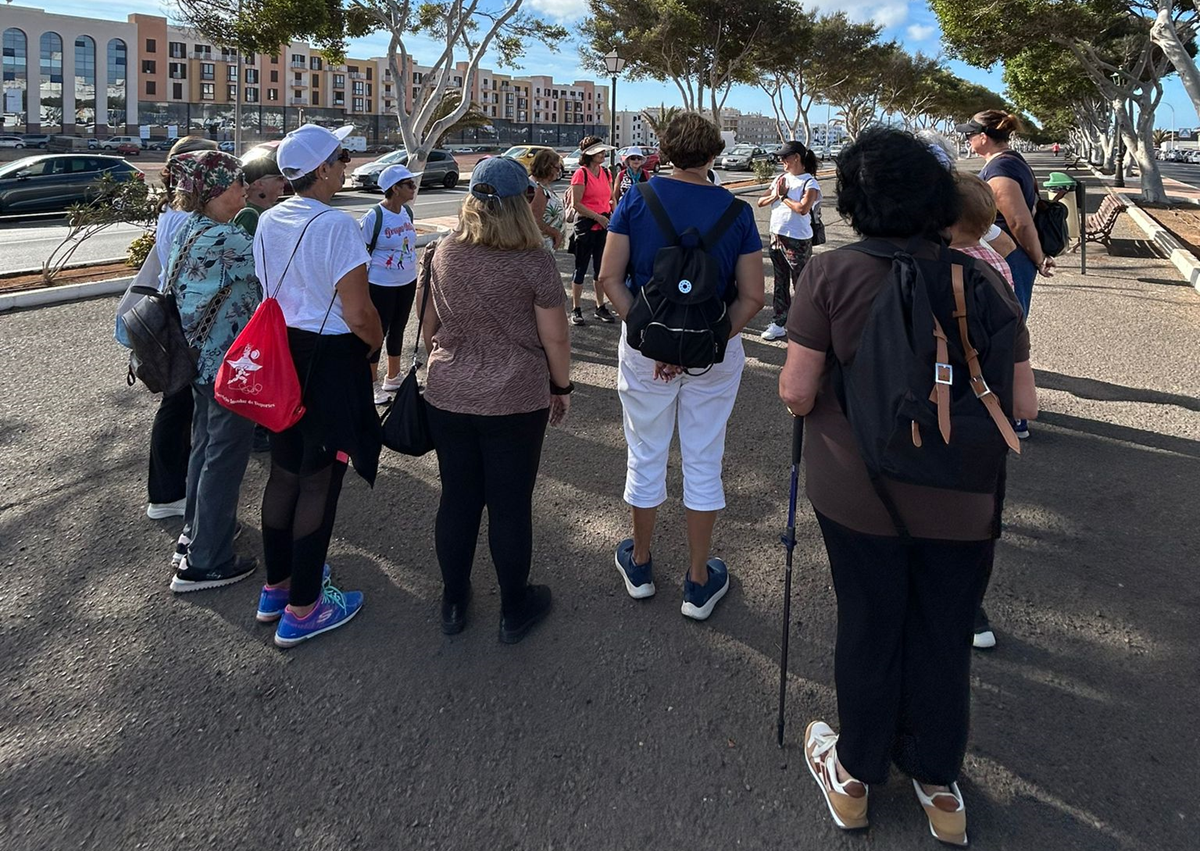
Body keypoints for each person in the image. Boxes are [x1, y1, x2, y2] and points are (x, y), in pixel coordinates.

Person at [777, 128, 1038, 844]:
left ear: (854, 198)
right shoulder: (983, 278)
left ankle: (855, 774)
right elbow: (1025, 406)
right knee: (943, 629)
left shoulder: (828, 275)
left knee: (868, 620)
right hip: (964, 496)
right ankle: (938, 784)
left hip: (858, 494)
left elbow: (797, 392)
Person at [598, 111, 765, 622]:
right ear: (714, 153)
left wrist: (656, 342)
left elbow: (610, 278)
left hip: (646, 352)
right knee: (703, 457)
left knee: (646, 452)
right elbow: (754, 296)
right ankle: (697, 580)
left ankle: (642, 563)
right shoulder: (737, 211)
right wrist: (703, 342)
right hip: (713, 354)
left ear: (665, 151)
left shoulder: (637, 199)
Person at [418, 156, 571, 644]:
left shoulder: (443, 252)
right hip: (515, 397)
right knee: (509, 505)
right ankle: (513, 607)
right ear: (522, 202)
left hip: (449, 394)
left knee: (457, 499)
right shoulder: (534, 262)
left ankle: (454, 601)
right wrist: (561, 387)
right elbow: (556, 340)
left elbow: (428, 332)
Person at [252, 124, 384, 648]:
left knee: (284, 471)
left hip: (283, 353)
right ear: (323, 169)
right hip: (327, 358)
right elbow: (358, 312)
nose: (347, 165)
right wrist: (374, 346)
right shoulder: (337, 225)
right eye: (342, 157)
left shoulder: (268, 219)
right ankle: (305, 607)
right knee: (321, 479)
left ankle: (277, 586)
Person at [165, 150, 262, 592]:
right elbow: (275, 265)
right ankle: (206, 561)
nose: (244, 189)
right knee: (224, 455)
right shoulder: (226, 241)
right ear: (213, 192)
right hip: (227, 366)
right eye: (236, 183)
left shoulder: (191, 229)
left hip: (199, 362)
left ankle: (194, 535)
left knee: (204, 447)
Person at [958, 109, 1049, 440]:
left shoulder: (1000, 169)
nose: (966, 139)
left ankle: (1014, 415)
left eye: (970, 134)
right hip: (1014, 256)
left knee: (1005, 334)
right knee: (1006, 330)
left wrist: (1038, 259)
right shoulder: (1011, 161)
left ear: (984, 137)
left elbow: (1020, 221)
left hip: (1011, 258)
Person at [146, 135, 219, 522]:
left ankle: (169, 490)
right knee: (179, 406)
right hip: (187, 321)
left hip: (177, 319)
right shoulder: (188, 218)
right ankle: (168, 493)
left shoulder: (171, 211)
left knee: (178, 405)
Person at [232, 142, 288, 454]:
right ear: (257, 185)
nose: (282, 183)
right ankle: (255, 428)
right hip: (253, 308)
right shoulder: (251, 217)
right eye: (275, 177)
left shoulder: (263, 213)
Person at [359, 164, 420, 405]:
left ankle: (393, 376)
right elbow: (360, 251)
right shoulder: (375, 216)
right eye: (409, 184)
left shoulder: (407, 212)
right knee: (378, 333)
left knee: (399, 329)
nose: (414, 188)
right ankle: (371, 382)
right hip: (380, 284)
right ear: (394, 188)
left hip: (406, 281)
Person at [758, 140, 821, 341]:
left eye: (785, 157)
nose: (781, 160)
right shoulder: (780, 178)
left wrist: (783, 198)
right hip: (777, 235)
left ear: (797, 157)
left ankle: (805, 323)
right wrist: (777, 195)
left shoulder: (809, 182)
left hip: (798, 239)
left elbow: (803, 208)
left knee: (800, 282)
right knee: (780, 281)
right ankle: (779, 322)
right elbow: (761, 201)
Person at [569, 136, 617, 326]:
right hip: (586, 227)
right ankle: (576, 308)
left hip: (603, 226)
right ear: (590, 154)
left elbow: (611, 199)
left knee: (600, 270)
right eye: (599, 151)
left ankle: (600, 306)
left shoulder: (606, 172)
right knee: (580, 269)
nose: (603, 154)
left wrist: (615, 216)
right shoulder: (581, 174)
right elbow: (576, 204)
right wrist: (598, 217)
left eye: (603, 151)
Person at [232, 142, 287, 237]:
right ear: (259, 184)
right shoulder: (249, 215)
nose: (284, 182)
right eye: (280, 178)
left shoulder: (263, 211)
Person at [528, 148, 565, 251]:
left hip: (547, 244)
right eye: (557, 168)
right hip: (541, 245)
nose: (559, 172)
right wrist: (555, 233)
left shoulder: (543, 185)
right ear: (548, 167)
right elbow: (535, 220)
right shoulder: (537, 188)